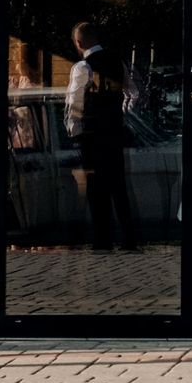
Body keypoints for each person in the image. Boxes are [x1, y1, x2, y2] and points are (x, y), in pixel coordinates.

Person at [66, 20, 137, 250]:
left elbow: (74, 103)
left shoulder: (82, 67)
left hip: (92, 134)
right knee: (118, 185)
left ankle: (102, 239)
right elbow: (133, 93)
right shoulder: (118, 61)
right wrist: (119, 114)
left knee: (97, 187)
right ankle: (128, 238)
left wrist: (74, 130)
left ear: (78, 42)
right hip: (113, 132)